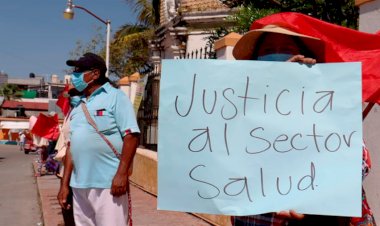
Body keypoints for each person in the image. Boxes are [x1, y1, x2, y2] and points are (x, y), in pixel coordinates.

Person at [231, 24, 376, 226]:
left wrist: (317, 200)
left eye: (287, 49)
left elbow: (359, 163)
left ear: (306, 58)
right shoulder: (237, 110)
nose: (278, 55)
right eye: (268, 51)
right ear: (256, 62)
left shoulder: (325, 101)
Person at [57, 52, 140, 226]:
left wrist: (121, 174)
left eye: (79, 71)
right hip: (79, 185)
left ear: (95, 74)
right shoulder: (78, 105)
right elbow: (72, 147)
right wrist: (65, 185)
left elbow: (131, 136)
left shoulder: (116, 97)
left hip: (108, 184)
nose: (75, 75)